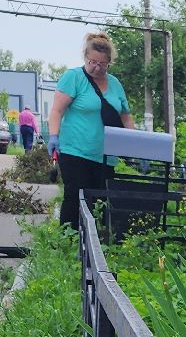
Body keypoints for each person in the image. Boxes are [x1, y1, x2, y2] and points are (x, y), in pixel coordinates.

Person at [49, 32, 135, 230]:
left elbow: (126, 116)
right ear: (85, 57)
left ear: (109, 63)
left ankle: (95, 250)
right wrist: (54, 136)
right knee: (75, 199)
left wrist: (135, 145)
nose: (96, 67)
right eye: (92, 62)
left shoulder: (115, 84)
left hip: (105, 157)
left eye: (102, 64)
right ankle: (69, 243)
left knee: (100, 204)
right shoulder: (74, 78)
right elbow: (57, 110)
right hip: (75, 152)